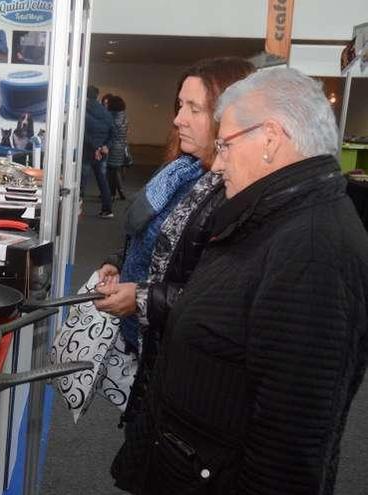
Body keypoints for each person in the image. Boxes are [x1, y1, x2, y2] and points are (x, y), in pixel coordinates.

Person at [112, 67, 368, 494]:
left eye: (226, 145)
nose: (219, 161)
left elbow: (288, 451)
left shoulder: (313, 251)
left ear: (270, 138)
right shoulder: (270, 215)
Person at [90, 59, 254, 489]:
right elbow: (147, 229)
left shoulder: (231, 190)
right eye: (179, 105)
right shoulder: (182, 169)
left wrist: (141, 299)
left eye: (194, 108)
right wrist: (117, 260)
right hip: (150, 344)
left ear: (228, 114)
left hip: (178, 357)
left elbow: (216, 297)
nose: (178, 118)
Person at [81, 85, 114, 218]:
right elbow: (112, 131)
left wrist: (95, 148)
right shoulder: (105, 111)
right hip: (102, 152)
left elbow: (84, 134)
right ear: (97, 95)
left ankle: (76, 210)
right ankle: (107, 209)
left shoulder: (83, 111)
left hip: (88, 151)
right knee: (102, 180)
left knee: (82, 181)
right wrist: (105, 146)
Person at [106, 95, 129, 200]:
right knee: (116, 171)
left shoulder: (111, 117)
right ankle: (118, 192)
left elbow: (110, 133)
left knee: (111, 172)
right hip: (121, 147)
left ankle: (112, 194)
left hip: (112, 147)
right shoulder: (124, 117)